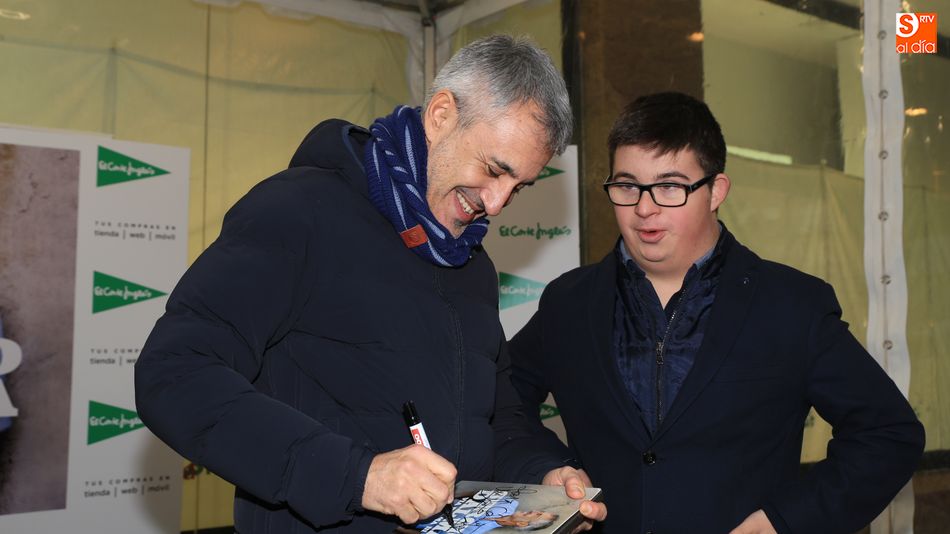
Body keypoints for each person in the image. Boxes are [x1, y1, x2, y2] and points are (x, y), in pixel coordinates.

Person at [134, 35, 605, 533]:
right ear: (441, 115)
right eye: (493, 170)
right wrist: (359, 477)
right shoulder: (298, 212)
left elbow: (498, 417)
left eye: (518, 187)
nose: (496, 204)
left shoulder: (472, 265)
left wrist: (542, 473)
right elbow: (174, 372)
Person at [508, 91, 925, 533]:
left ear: (715, 191)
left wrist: (784, 521)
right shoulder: (569, 302)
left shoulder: (791, 305)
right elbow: (501, 401)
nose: (644, 208)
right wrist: (545, 465)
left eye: (669, 186)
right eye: (627, 186)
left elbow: (888, 434)